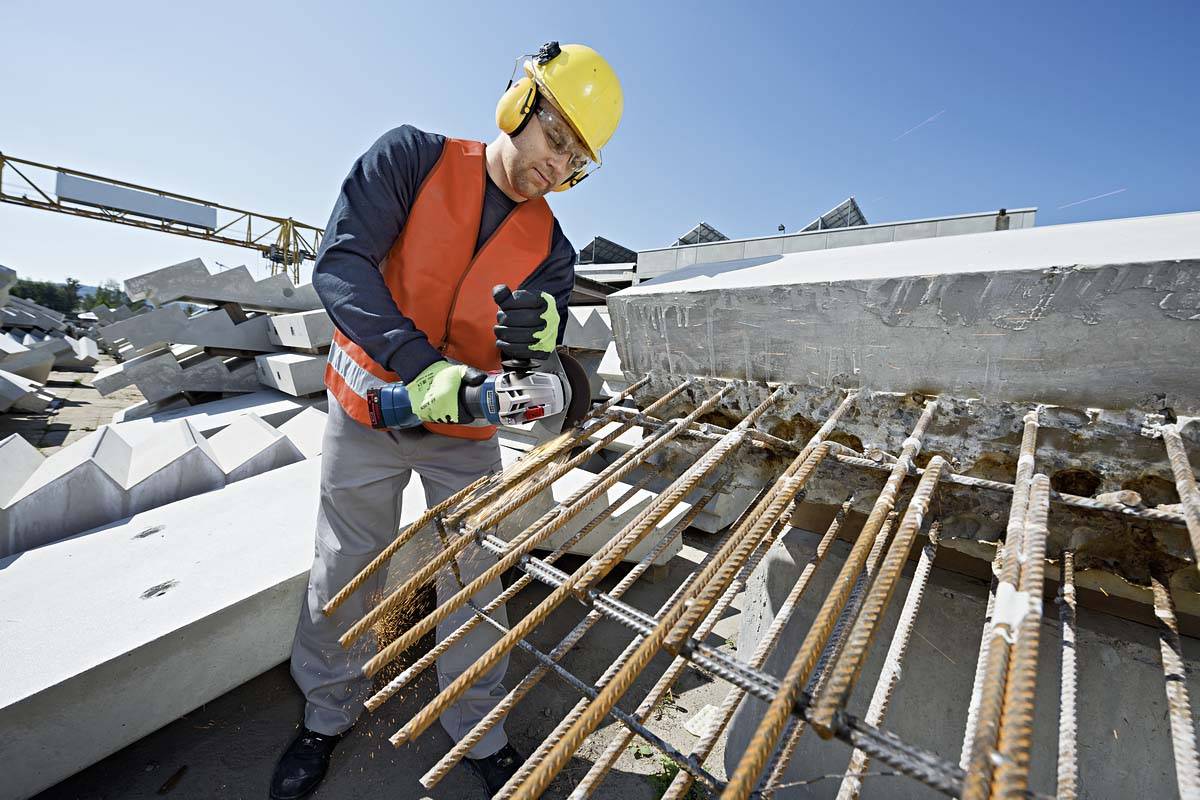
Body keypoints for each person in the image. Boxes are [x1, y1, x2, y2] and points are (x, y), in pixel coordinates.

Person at [269, 42, 623, 799]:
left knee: (476, 581)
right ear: (517, 105)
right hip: (368, 409)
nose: (557, 168)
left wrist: (545, 347)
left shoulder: (551, 249)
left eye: (576, 161)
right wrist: (416, 363)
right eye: (556, 138)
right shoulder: (409, 161)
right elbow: (340, 263)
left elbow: (541, 355)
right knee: (343, 569)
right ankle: (324, 715)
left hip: (463, 438)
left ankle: (478, 730)